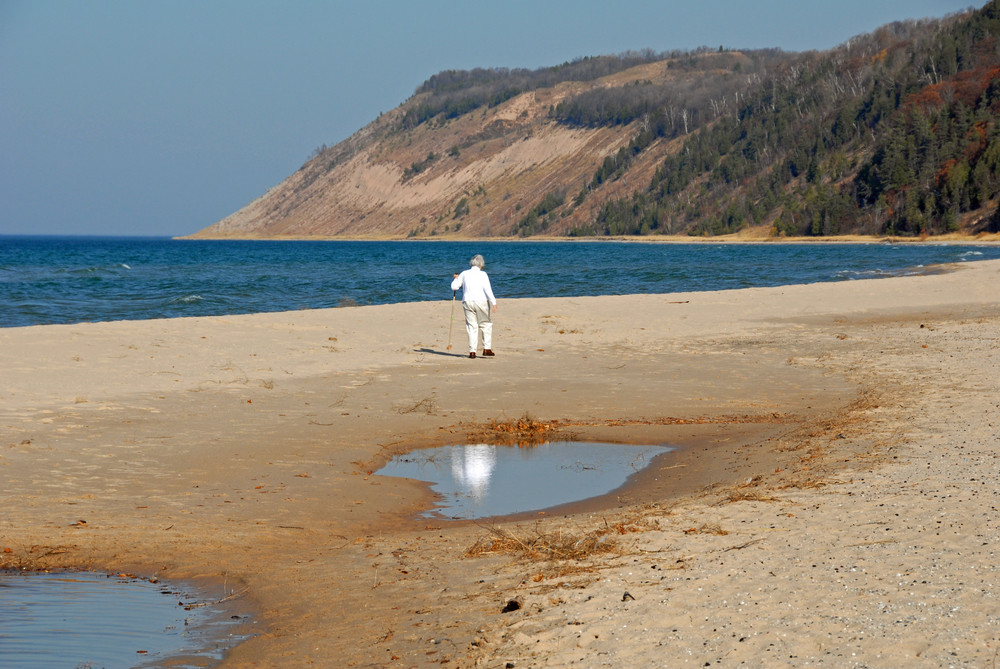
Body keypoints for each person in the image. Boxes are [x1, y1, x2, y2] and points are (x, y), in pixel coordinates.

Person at [451, 254, 498, 358]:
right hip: (481, 301)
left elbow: (454, 287)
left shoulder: (464, 273)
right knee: (485, 324)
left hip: (467, 301)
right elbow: (487, 289)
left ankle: (472, 352)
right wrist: (493, 302)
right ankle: (487, 348)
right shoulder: (483, 274)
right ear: (481, 264)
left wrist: (456, 278)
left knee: (471, 326)